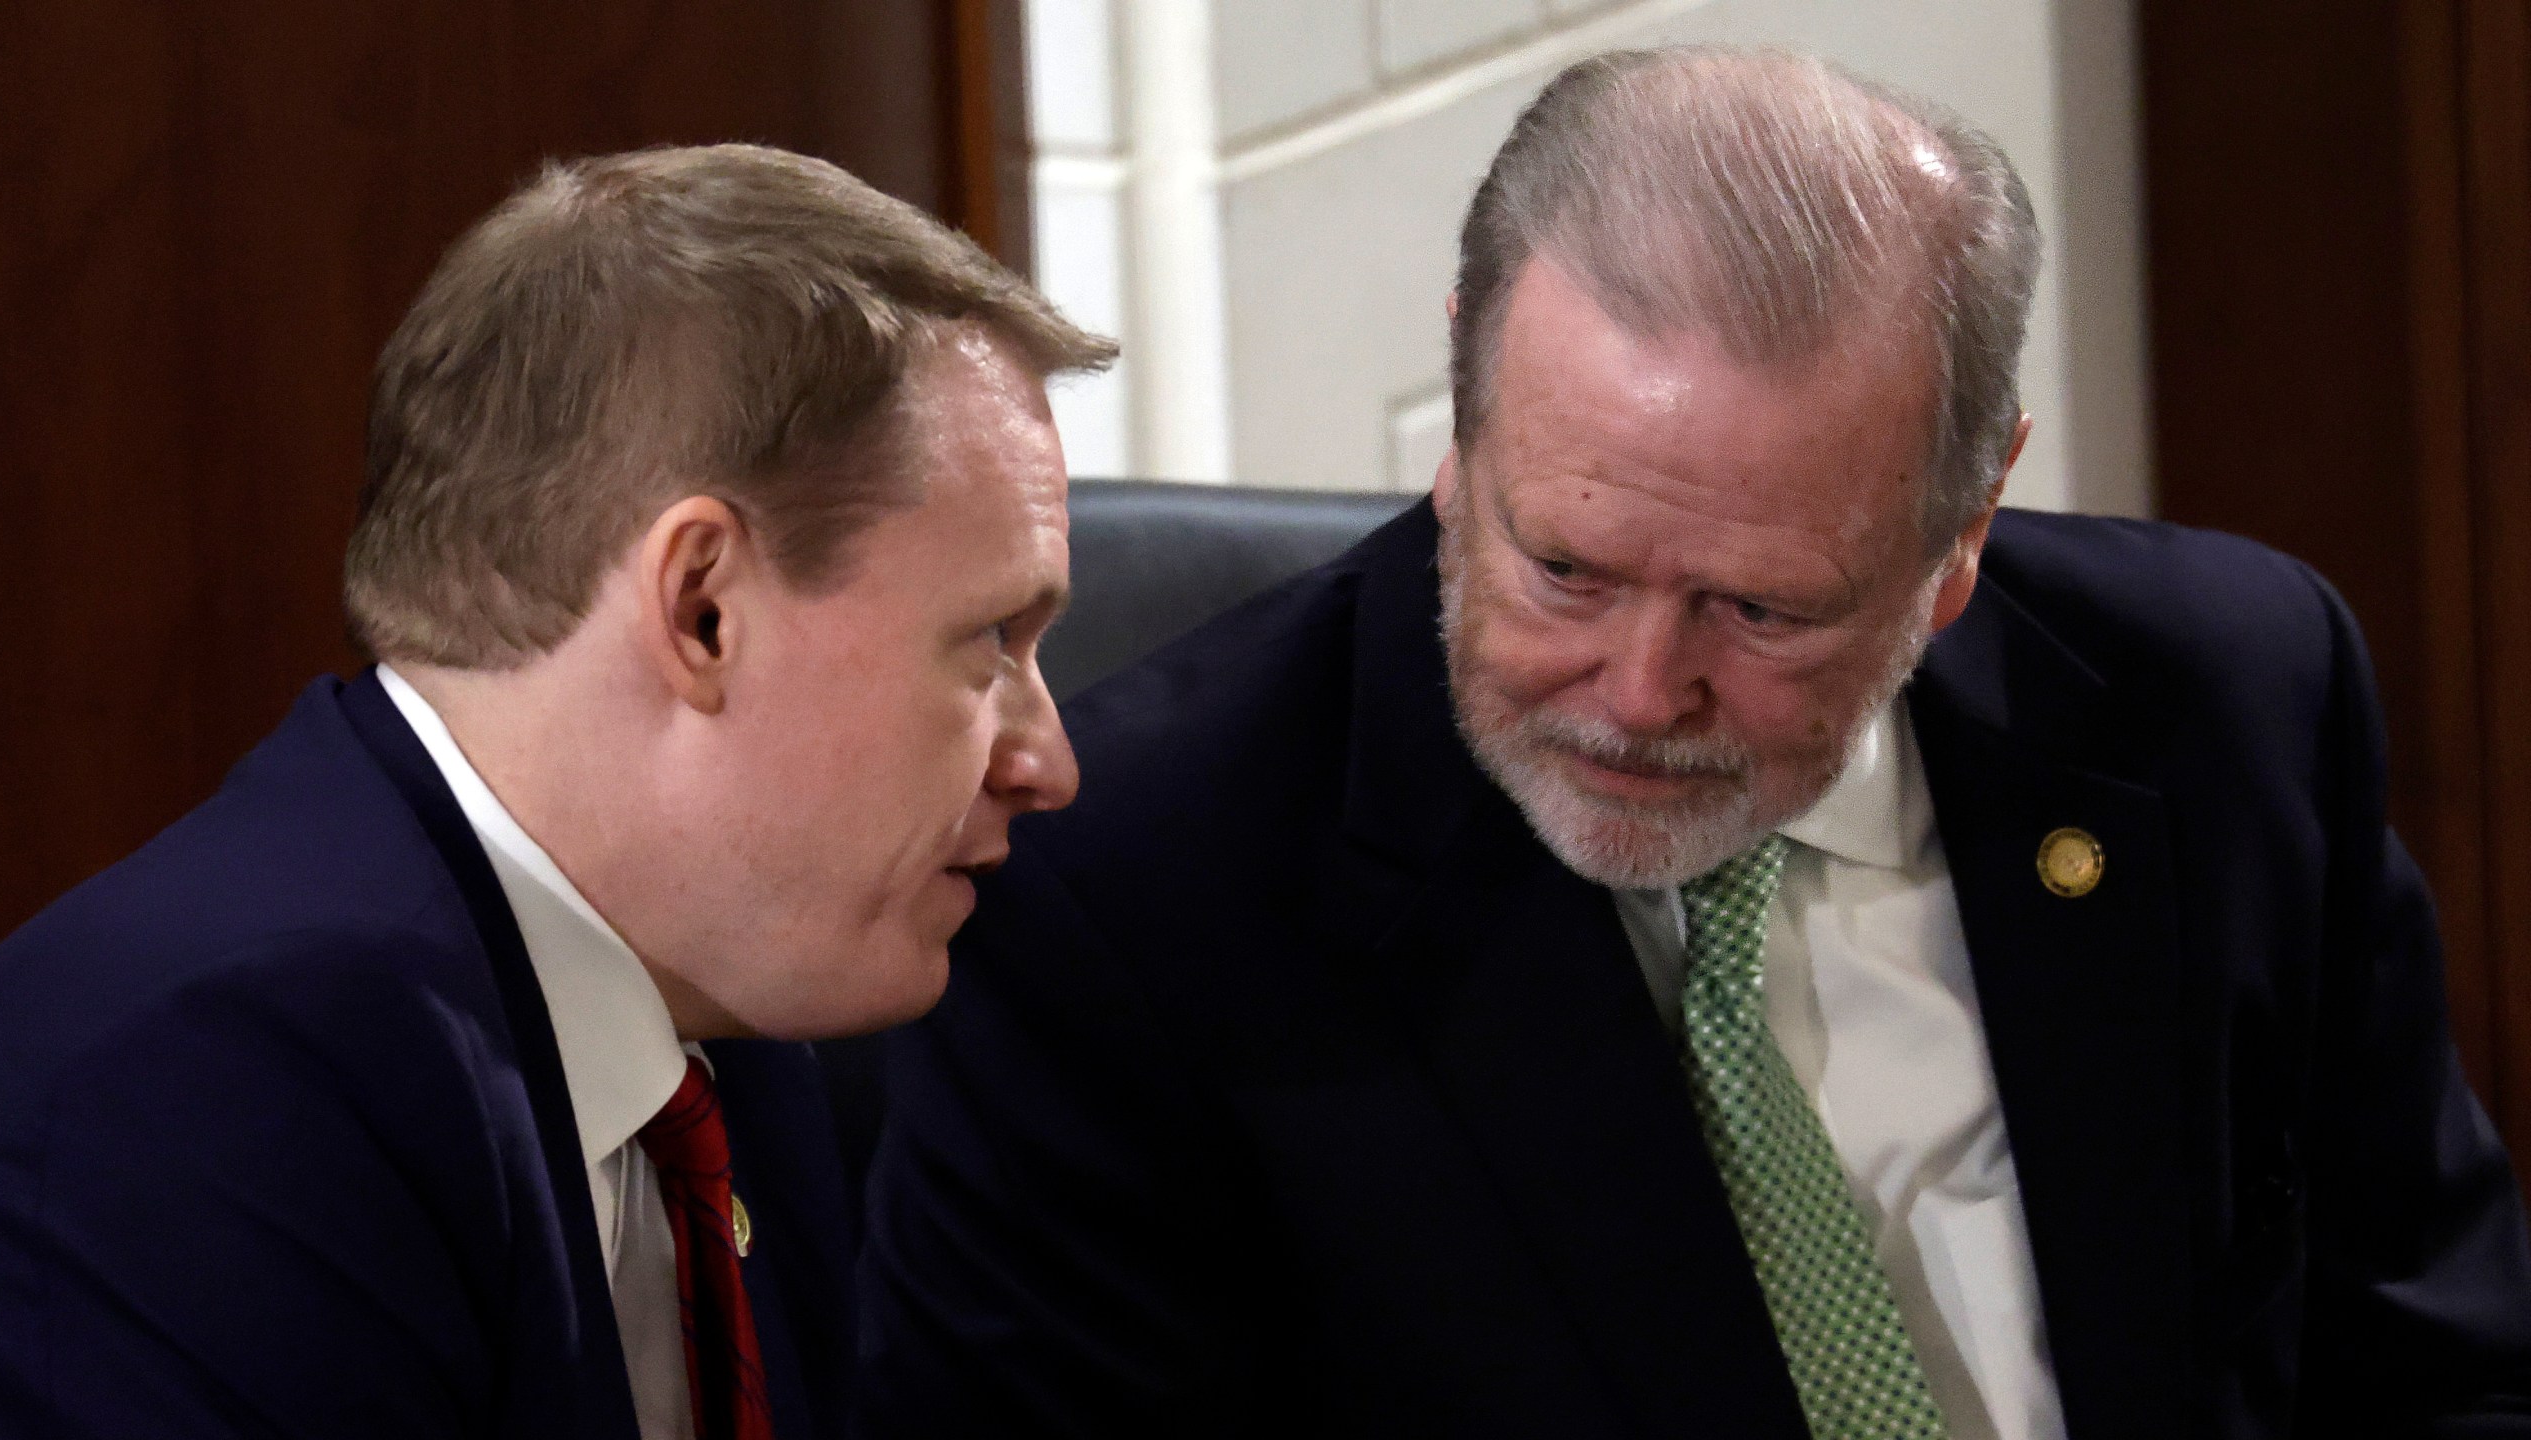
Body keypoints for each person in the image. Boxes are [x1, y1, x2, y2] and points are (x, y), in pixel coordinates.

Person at [851, 47, 2531, 1439]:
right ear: (1466, 421)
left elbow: (2439, 1374)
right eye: (1566, 569)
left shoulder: (2222, 707)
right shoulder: (1131, 893)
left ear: (1962, 531)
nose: (1641, 693)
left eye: (1763, 609)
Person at [0, 143, 1110, 1439]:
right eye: (991, 642)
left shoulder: (731, 1031)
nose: (1048, 763)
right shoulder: (195, 1103)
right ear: (703, 607)